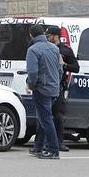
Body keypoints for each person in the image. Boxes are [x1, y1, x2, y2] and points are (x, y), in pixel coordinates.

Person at [26, 24, 63, 159]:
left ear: (31, 35)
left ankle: (53, 150)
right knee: (44, 118)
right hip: (54, 89)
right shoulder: (54, 48)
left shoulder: (33, 50)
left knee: (46, 119)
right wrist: (56, 84)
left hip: (41, 89)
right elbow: (60, 70)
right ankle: (38, 147)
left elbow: (33, 72)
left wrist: (31, 85)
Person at [45, 26, 79, 152]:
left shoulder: (65, 50)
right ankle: (44, 143)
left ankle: (59, 142)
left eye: (49, 36)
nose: (48, 38)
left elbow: (76, 68)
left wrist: (64, 64)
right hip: (47, 85)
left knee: (58, 115)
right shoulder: (46, 49)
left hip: (59, 86)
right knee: (45, 115)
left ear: (55, 36)